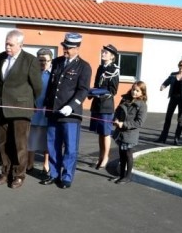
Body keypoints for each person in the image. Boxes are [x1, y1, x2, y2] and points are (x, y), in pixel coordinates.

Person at [42, 32, 92, 189]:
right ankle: (54, 173)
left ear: (77, 48)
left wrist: (71, 106)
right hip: (53, 112)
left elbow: (83, 90)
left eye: (69, 48)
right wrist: (46, 104)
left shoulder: (84, 67)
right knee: (52, 145)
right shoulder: (56, 62)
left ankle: (67, 176)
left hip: (71, 114)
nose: (65, 50)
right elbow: (51, 86)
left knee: (70, 147)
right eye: (64, 46)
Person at [0, 29, 42, 189]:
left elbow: (37, 87)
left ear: (20, 45)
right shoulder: (0, 57)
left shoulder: (30, 60)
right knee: (2, 143)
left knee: (19, 144)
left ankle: (19, 175)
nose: (7, 47)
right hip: (2, 108)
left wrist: (27, 102)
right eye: (6, 44)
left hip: (21, 108)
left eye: (11, 45)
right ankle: (5, 172)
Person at [88, 44, 119, 170]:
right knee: (100, 133)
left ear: (112, 56)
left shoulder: (114, 70)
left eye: (106, 52)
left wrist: (96, 92)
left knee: (106, 133)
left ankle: (106, 157)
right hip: (97, 105)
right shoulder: (100, 68)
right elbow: (96, 84)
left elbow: (113, 90)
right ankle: (100, 156)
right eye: (103, 51)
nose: (103, 53)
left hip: (106, 105)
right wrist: (90, 93)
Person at [112, 81, 148, 184]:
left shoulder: (142, 105)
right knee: (121, 155)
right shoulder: (124, 99)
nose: (134, 92)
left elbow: (139, 122)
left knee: (128, 155)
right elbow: (117, 112)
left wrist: (124, 124)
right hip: (120, 133)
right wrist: (116, 120)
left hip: (130, 135)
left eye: (137, 91)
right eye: (133, 89)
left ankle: (128, 177)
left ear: (142, 93)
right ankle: (121, 175)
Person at [27, 48, 52, 177]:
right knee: (31, 138)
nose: (43, 63)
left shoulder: (54, 75)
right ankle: (29, 162)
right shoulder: (33, 72)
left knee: (47, 140)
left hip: (47, 111)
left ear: (50, 60)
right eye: (40, 60)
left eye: (46, 61)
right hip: (33, 110)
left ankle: (46, 164)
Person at [156, 59, 182, 145]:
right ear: (178, 65)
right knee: (168, 117)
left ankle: (176, 139)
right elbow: (167, 82)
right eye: (180, 65)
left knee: (180, 118)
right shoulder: (173, 75)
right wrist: (163, 86)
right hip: (173, 98)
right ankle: (163, 138)